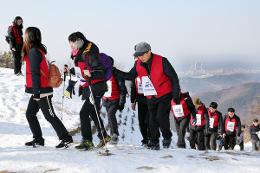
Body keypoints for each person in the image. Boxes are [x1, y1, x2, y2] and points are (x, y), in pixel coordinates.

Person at [114, 42, 180, 150]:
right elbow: (130, 76)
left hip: (164, 94)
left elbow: (173, 77)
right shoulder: (138, 64)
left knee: (160, 116)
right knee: (151, 120)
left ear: (149, 51)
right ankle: (154, 142)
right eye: (138, 55)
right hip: (150, 96)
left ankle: (167, 137)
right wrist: (114, 71)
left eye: (142, 54)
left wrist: (176, 94)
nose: (140, 57)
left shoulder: (162, 61)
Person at [23, 27, 73, 148]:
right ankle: (38, 139)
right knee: (30, 114)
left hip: (41, 90)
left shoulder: (34, 51)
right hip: (38, 89)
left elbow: (35, 72)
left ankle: (66, 138)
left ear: (29, 36)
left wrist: (36, 91)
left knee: (50, 116)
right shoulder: (37, 50)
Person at [64, 32, 110, 150]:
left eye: (72, 44)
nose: (71, 46)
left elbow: (99, 71)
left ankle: (87, 141)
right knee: (93, 112)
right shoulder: (79, 52)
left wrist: (91, 73)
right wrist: (70, 72)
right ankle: (104, 135)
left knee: (83, 112)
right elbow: (81, 70)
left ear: (79, 41)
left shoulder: (90, 52)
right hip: (89, 87)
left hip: (96, 86)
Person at [102, 57, 127, 144]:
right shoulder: (102, 73)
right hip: (106, 99)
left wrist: (121, 102)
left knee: (110, 114)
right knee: (109, 117)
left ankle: (115, 135)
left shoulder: (116, 74)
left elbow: (123, 89)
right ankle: (112, 135)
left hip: (115, 99)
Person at [131, 74, 151, 147]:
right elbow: (133, 88)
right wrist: (133, 101)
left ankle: (151, 139)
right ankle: (145, 140)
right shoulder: (135, 75)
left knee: (148, 121)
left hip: (151, 100)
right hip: (140, 101)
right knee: (141, 122)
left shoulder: (150, 72)